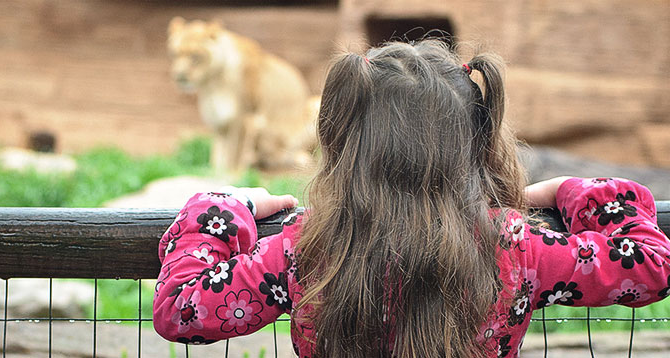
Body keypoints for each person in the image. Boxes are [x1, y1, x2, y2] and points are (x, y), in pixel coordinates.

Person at [153, 40, 670, 358]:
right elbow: (650, 265)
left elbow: (180, 309)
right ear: (476, 141)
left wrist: (222, 209)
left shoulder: (305, 249)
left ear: (344, 141)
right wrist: (571, 191)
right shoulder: (519, 248)